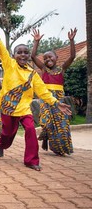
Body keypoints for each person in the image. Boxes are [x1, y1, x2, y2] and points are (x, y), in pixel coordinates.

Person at [0, 15, 72, 171]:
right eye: (19, 52)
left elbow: (43, 92)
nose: (23, 55)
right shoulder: (9, 64)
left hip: (24, 108)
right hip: (8, 107)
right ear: (14, 55)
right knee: (8, 134)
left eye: (25, 52)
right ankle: (1, 145)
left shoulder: (33, 73)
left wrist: (57, 103)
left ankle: (31, 160)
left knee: (30, 129)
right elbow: (1, 48)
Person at [31, 28, 77, 156]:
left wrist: (71, 41)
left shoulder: (62, 69)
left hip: (59, 100)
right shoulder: (44, 69)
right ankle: (45, 137)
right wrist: (36, 42)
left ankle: (61, 148)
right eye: (45, 58)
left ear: (56, 58)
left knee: (61, 125)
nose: (47, 59)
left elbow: (72, 56)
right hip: (46, 100)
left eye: (50, 57)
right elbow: (33, 56)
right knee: (46, 122)